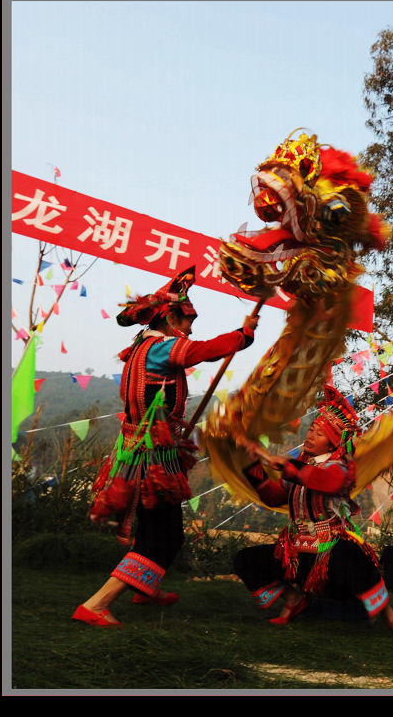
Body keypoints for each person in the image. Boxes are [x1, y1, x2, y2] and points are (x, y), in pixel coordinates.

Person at [74, 267, 259, 627]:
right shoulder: (161, 349)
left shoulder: (138, 350)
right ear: (169, 317)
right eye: (186, 320)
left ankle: (146, 589)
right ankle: (97, 603)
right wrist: (243, 334)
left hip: (141, 450)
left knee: (153, 529)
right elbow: (205, 351)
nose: (189, 328)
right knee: (164, 535)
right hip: (154, 458)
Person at [231, 385, 393, 638]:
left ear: (332, 441)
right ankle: (293, 599)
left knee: (356, 562)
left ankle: (391, 617)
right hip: (296, 549)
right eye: (311, 429)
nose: (310, 436)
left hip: (329, 548)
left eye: (318, 433)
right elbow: (272, 495)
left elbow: (326, 482)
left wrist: (290, 467)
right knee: (247, 559)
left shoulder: (340, 467)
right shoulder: (303, 465)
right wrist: (254, 466)